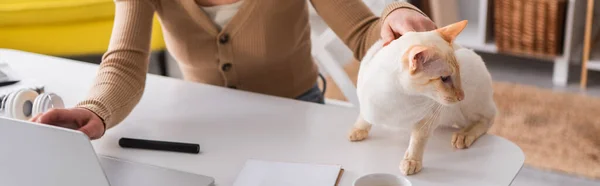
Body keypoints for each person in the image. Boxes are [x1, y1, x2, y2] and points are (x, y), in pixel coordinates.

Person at [29, 0, 436, 139]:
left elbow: (365, 33)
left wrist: (398, 14)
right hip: (203, 126)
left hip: (298, 114)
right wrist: (96, 110)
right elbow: (124, 61)